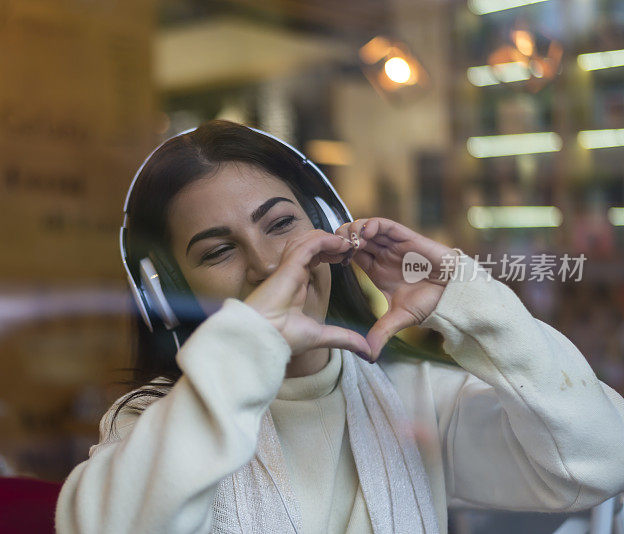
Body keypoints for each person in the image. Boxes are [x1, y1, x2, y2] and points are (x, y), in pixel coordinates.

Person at [55, 120, 624, 534]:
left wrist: (470, 302)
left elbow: (600, 460)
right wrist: (244, 350)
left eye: (281, 224)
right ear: (170, 295)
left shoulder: (412, 398)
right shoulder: (156, 425)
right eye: (218, 252)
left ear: (331, 230)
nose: (269, 265)